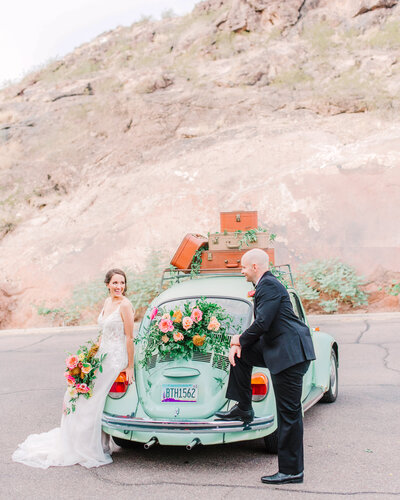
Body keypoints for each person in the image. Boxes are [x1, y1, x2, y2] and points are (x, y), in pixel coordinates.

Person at [12, 268, 135, 469]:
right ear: (107, 285)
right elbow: (103, 333)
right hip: (101, 356)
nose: (119, 287)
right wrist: (91, 355)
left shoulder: (126, 305)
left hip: (115, 359)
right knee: (74, 395)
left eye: (122, 283)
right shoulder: (107, 302)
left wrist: (129, 366)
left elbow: (129, 337)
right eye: (115, 283)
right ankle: (77, 442)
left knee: (87, 399)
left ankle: (87, 447)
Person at [215, 249, 316, 485]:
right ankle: (244, 408)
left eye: (243, 267)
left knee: (289, 414)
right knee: (241, 355)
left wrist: (238, 338)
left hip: (290, 355)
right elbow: (262, 326)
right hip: (279, 348)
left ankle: (292, 471)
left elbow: (262, 323)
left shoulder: (268, 285)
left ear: (254, 267)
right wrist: (240, 344)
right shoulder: (266, 286)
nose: (241, 271)